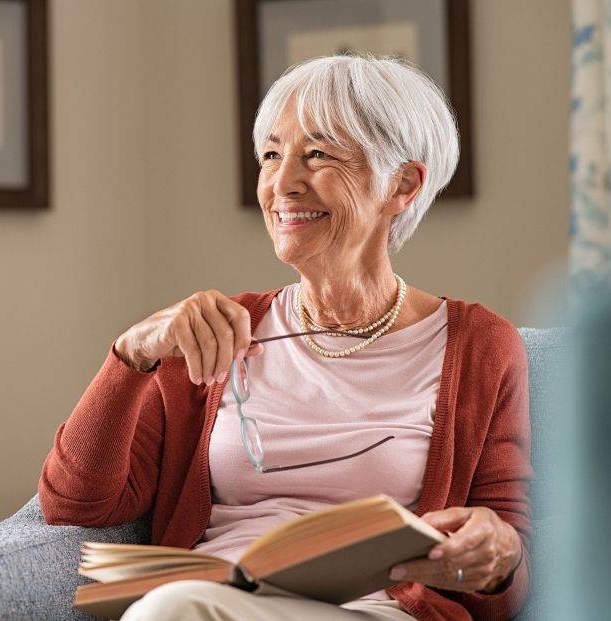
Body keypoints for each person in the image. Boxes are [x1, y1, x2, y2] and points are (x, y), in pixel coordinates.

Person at [39, 54, 532, 621]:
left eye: (317, 155)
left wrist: (501, 553)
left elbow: (507, 567)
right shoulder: (215, 333)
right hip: (216, 598)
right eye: (271, 155)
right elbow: (75, 503)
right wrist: (131, 356)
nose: (282, 184)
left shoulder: (478, 346)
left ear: (403, 184)